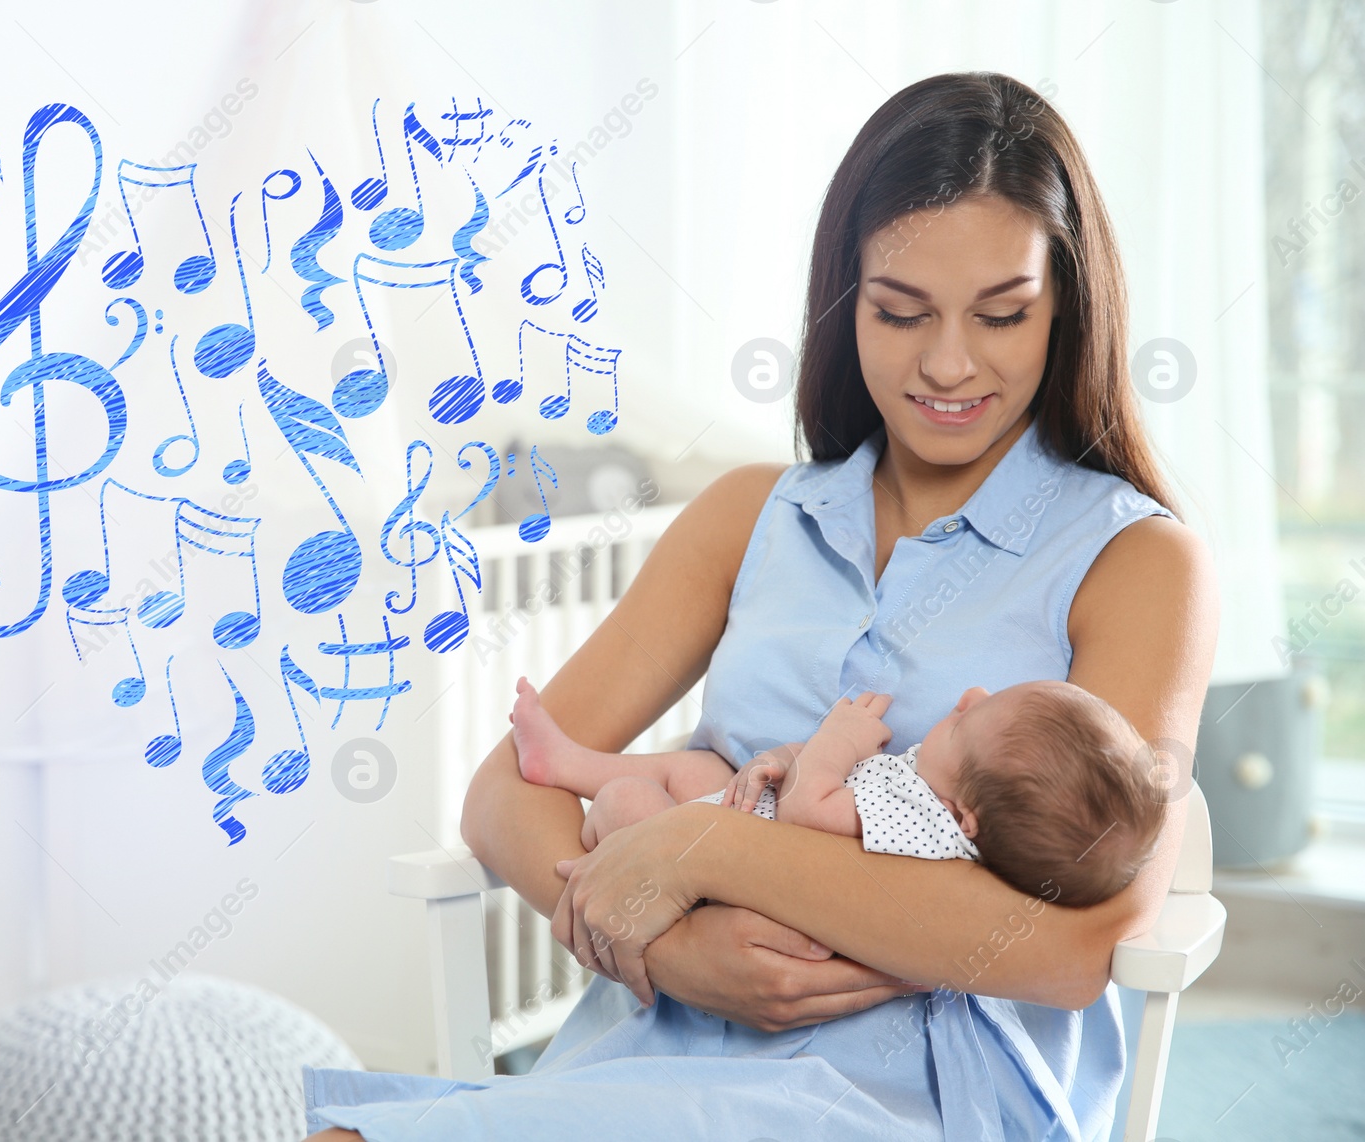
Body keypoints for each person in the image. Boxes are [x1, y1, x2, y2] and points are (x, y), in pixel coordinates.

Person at [304, 69, 1217, 1140]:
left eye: (1003, 314)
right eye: (898, 310)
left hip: (908, 1085)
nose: (949, 362)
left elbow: (1069, 945)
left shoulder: (1139, 559)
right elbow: (506, 792)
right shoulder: (750, 514)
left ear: (1063, 304)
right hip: (653, 1038)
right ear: (845, 299)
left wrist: (706, 855)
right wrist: (664, 944)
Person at [512, 677, 1165, 909]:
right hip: (745, 825)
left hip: (720, 884)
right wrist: (781, 757)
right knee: (695, 773)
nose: (968, 697)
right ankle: (567, 762)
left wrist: (837, 736)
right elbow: (824, 789)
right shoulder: (933, 791)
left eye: (966, 721)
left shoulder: (925, 830)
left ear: (964, 817)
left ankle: (604, 871)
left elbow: (809, 810)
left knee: (630, 803)